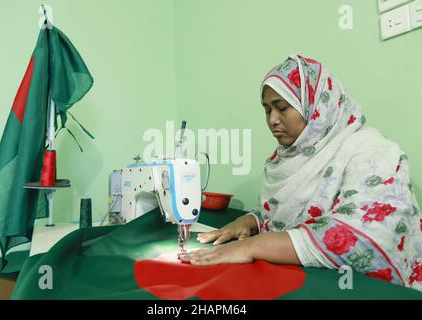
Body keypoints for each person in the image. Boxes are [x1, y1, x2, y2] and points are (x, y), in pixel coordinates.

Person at [179, 54, 422, 291]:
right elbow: (288, 214)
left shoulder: (373, 151)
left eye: (282, 107)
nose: (272, 120)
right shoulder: (285, 160)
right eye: (267, 110)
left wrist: (252, 246)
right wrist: (252, 221)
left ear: (317, 107)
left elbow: (366, 236)